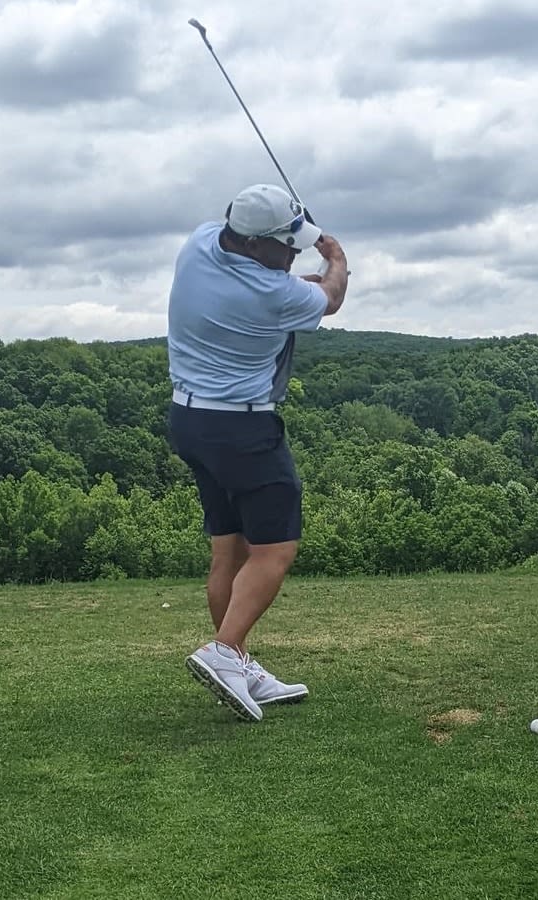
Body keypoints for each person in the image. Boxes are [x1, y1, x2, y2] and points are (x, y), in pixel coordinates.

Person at [166, 183, 349, 722]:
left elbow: (288, 278)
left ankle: (238, 660)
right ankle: (224, 652)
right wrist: (336, 259)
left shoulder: (199, 245)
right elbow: (329, 296)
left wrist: (296, 251)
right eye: (286, 244)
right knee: (275, 551)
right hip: (243, 431)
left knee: (231, 550)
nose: (294, 252)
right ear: (252, 243)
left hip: (190, 420)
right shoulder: (273, 296)